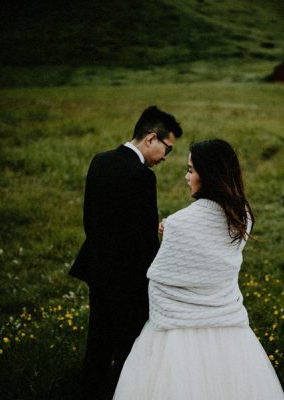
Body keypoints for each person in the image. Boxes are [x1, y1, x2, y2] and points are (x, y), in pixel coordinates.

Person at [113, 139, 284, 399]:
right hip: (228, 324)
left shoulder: (180, 223)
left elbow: (161, 281)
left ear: (210, 175)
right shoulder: (242, 218)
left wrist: (170, 231)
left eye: (191, 170)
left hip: (176, 331)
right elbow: (213, 262)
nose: (186, 176)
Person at [69, 105, 183, 400]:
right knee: (128, 348)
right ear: (150, 139)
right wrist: (157, 277)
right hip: (129, 280)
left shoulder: (100, 161)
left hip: (98, 269)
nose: (166, 158)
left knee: (97, 342)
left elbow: (89, 219)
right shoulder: (142, 177)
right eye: (167, 149)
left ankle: (89, 391)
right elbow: (145, 240)